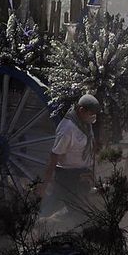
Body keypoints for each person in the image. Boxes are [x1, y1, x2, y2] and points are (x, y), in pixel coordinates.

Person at [40, 95, 100, 223]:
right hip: (68, 176)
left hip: (82, 174)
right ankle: (35, 223)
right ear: (81, 110)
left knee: (75, 207)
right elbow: (54, 156)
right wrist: (45, 184)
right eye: (91, 114)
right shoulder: (67, 129)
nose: (93, 117)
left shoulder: (85, 124)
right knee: (75, 211)